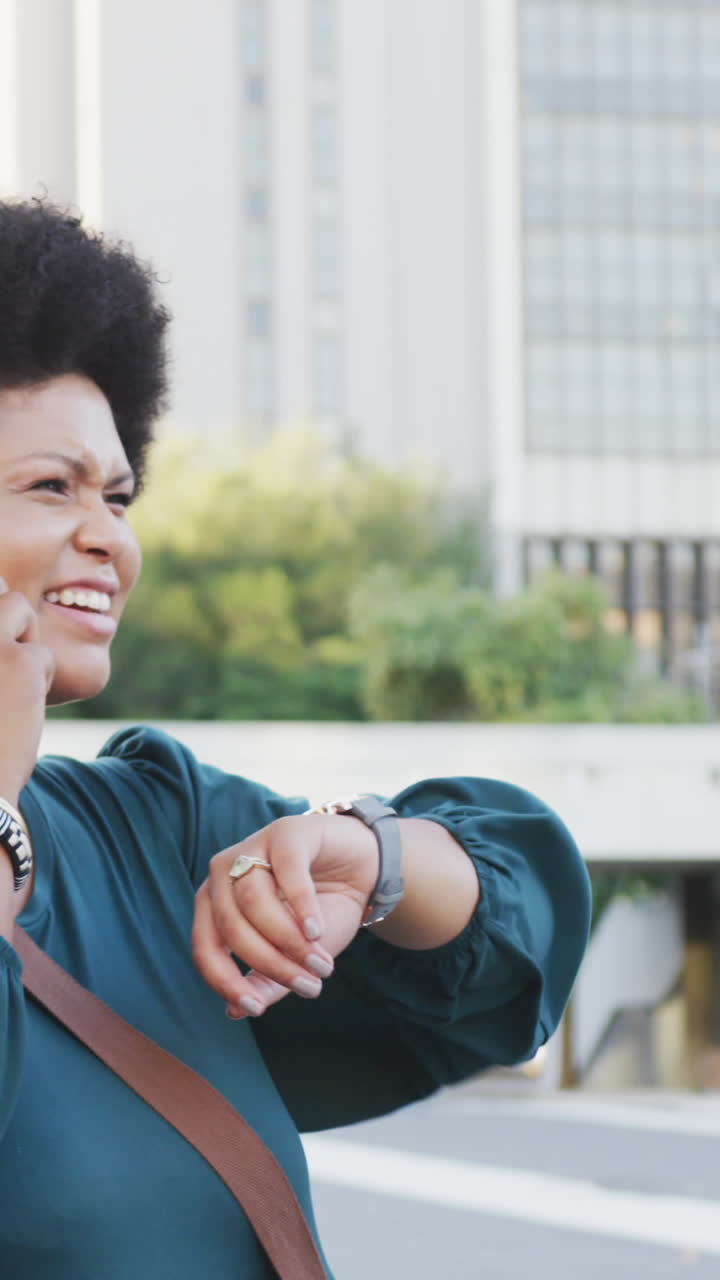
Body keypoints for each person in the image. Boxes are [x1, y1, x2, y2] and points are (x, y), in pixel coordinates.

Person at [0, 197, 591, 1279]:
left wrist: (371, 858)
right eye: (53, 487)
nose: (111, 538)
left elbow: (519, 934)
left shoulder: (146, 826)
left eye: (120, 496)